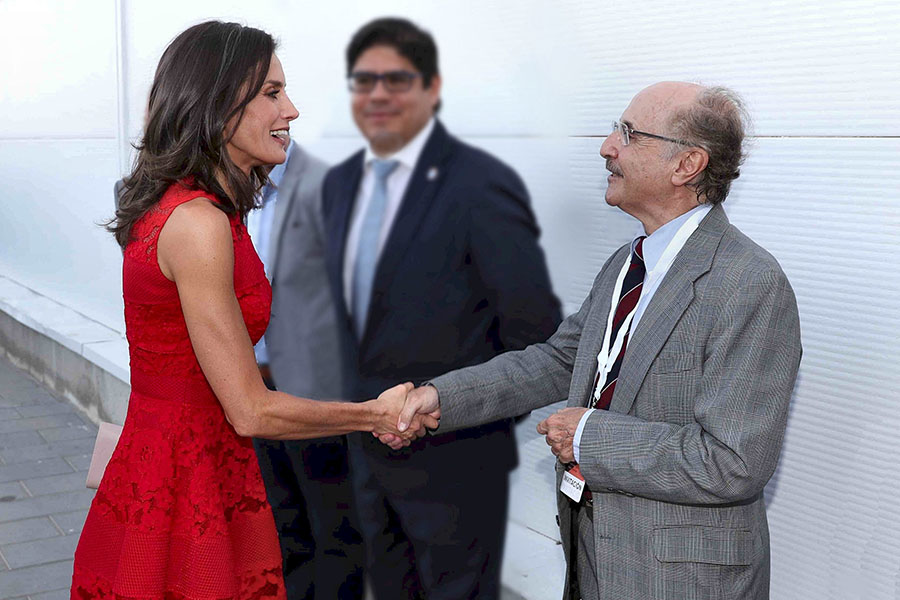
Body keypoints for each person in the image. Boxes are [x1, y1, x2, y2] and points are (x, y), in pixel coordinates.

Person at [391, 82, 802, 600]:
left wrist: (590, 438)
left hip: (680, 581)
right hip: (594, 561)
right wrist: (441, 398)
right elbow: (559, 361)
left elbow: (732, 462)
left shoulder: (749, 283)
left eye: (628, 133)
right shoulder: (628, 264)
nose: (606, 146)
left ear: (687, 165)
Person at [71, 21, 434, 600]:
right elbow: (250, 412)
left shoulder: (199, 207)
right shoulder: (198, 223)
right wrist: (374, 414)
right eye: (271, 92)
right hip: (186, 477)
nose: (291, 108)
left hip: (199, 460)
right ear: (217, 104)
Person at [321, 17, 562, 600]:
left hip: (454, 464)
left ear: (432, 88)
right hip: (365, 450)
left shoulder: (481, 184)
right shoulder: (338, 185)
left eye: (396, 79)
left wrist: (450, 414)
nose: (377, 95)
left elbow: (536, 333)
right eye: (363, 80)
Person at [248, 139, 365, 599]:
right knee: (280, 531)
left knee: (335, 534)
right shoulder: (224, 190)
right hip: (251, 392)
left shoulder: (330, 187)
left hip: (315, 399)